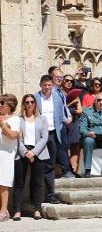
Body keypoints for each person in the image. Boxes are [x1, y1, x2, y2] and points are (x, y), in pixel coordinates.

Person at [13, 94, 49, 220]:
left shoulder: (42, 119)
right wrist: (25, 153)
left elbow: (45, 137)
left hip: (38, 152)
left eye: (32, 102)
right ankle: (17, 210)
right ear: (24, 104)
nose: (30, 104)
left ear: (35, 104)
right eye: (27, 102)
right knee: (19, 183)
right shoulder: (19, 120)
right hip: (22, 152)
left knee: (38, 182)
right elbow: (17, 138)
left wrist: (33, 152)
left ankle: (37, 209)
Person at [34, 75, 69, 203]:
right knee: (38, 166)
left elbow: (60, 113)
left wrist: (64, 121)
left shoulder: (57, 97)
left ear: (52, 85)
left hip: (53, 134)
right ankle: (36, 197)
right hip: (39, 135)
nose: (47, 87)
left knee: (50, 165)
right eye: (44, 85)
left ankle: (50, 196)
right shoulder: (35, 98)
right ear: (40, 85)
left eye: (49, 85)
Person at [0, 94, 21, 221]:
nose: (0, 105)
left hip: (5, 153)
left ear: (10, 105)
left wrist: (2, 125)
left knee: (3, 183)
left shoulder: (15, 119)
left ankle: (4, 210)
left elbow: (13, 136)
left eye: (3, 103)